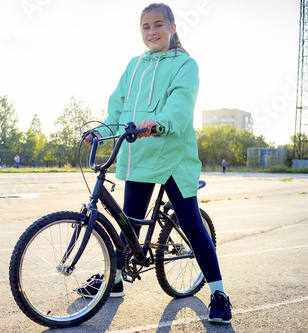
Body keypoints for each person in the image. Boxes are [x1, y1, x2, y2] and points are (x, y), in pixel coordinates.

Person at [81, 3, 232, 325]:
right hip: (138, 154)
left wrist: (158, 123)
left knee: (191, 223)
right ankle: (116, 279)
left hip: (173, 156)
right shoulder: (133, 66)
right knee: (129, 223)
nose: (152, 32)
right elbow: (117, 111)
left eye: (158, 25)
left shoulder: (185, 64)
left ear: (173, 28)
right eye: (146, 27)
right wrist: (99, 132)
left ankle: (219, 293)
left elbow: (180, 106)